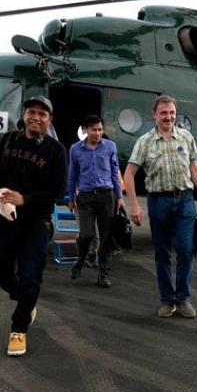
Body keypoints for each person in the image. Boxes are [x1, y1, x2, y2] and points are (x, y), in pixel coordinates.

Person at [0, 95, 67, 356]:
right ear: (24, 115)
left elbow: (59, 190)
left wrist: (25, 199)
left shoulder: (55, 150)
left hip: (37, 222)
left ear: (49, 120)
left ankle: (19, 329)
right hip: (8, 219)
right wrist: (0, 192)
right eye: (31, 112)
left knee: (31, 275)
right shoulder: (8, 141)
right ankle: (24, 299)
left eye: (42, 113)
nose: (36, 117)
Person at [124, 95, 197, 319]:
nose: (168, 117)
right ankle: (166, 300)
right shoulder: (144, 142)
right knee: (162, 253)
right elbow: (129, 174)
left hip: (185, 201)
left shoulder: (186, 137)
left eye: (172, 113)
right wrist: (134, 205)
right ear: (154, 115)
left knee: (185, 249)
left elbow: (194, 168)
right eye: (164, 113)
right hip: (158, 202)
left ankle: (182, 299)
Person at [67, 115, 124, 287]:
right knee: (86, 234)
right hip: (85, 197)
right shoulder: (75, 149)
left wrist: (119, 197)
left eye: (100, 129)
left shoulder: (110, 147)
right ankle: (80, 260)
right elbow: (72, 175)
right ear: (85, 130)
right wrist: (71, 198)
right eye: (94, 130)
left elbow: (115, 173)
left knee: (106, 237)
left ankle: (103, 274)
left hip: (107, 196)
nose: (98, 133)